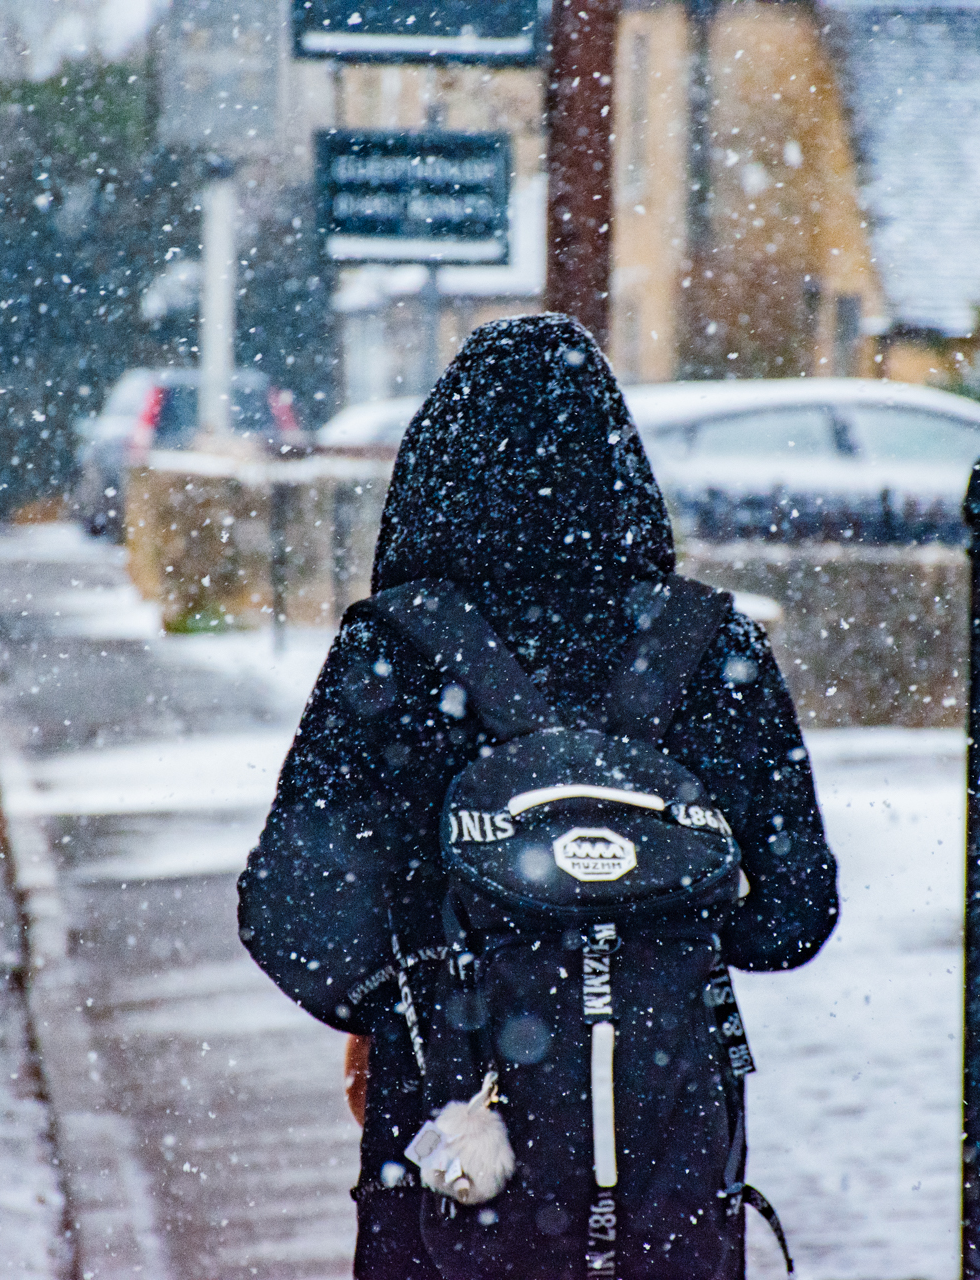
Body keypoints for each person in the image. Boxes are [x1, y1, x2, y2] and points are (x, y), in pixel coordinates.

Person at [238, 313, 838, 1279]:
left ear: (436, 471)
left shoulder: (394, 651)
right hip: (665, 1179)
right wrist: (634, 940)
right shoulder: (710, 647)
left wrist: (424, 982)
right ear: (622, 470)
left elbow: (296, 921)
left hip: (447, 1158)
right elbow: (791, 918)